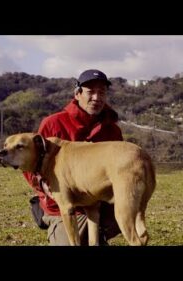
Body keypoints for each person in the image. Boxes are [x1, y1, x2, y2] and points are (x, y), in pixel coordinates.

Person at [23, 69, 123, 245]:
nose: (97, 98)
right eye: (90, 92)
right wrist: (45, 187)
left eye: (102, 92)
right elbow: (31, 166)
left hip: (101, 202)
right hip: (63, 206)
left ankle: (100, 232)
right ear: (77, 94)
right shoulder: (53, 124)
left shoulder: (112, 130)